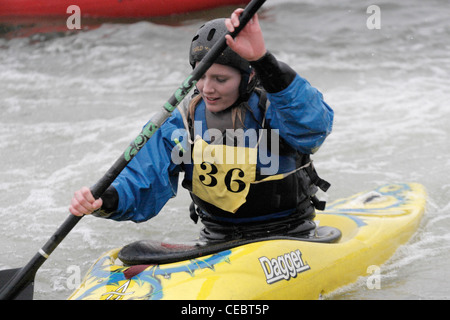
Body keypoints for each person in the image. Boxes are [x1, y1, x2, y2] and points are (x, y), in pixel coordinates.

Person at [69, 9, 334, 242]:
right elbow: (143, 179)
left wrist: (263, 59)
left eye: (221, 79)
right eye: (201, 76)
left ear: (249, 76)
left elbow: (312, 126)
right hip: (217, 237)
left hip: (291, 234)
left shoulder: (277, 108)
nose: (208, 89)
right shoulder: (182, 122)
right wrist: (106, 199)